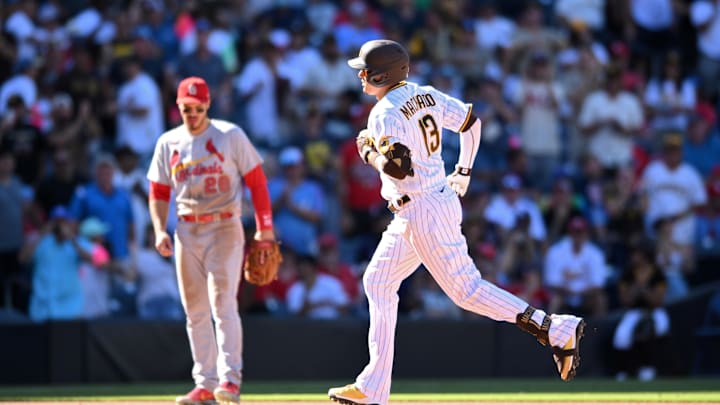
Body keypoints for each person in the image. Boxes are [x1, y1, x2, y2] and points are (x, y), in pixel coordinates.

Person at [328, 39, 585, 405]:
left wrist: (368, 150)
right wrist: (463, 170)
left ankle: (555, 329)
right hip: (427, 202)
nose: (361, 76)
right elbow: (471, 122)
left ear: (383, 73)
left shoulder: (384, 112)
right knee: (378, 281)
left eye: (365, 70)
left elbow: (399, 167)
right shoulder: (426, 94)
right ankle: (373, 387)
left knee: (466, 290)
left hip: (421, 208)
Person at [146, 76, 276, 405]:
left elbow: (257, 182)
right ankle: (205, 383)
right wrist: (160, 229)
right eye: (186, 108)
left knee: (222, 304)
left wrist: (265, 228)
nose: (192, 113)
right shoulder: (169, 142)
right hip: (187, 229)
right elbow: (158, 191)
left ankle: (230, 381)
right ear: (178, 107)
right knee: (195, 312)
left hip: (224, 227)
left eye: (198, 107)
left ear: (208, 105)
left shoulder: (229, 135)